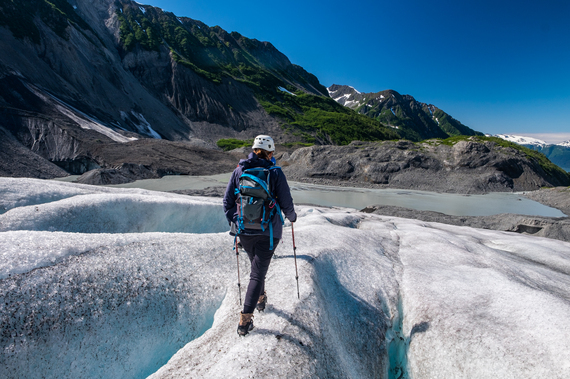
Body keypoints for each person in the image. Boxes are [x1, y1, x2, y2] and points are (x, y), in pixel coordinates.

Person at [223, 135, 297, 336]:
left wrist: (237, 220)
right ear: (270, 153)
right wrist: (292, 217)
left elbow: (227, 203)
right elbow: (286, 202)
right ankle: (245, 321)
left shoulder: (239, 170)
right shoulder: (275, 172)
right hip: (269, 233)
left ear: (253, 149)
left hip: (245, 233)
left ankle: (261, 298)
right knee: (257, 273)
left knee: (257, 268)